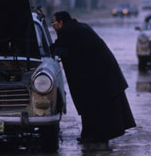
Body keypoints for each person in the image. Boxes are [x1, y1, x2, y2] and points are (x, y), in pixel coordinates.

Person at [50, 11, 136, 144]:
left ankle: (95, 136)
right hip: (101, 72)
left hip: (98, 74)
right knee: (94, 104)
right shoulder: (78, 27)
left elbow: (60, 49)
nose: (53, 26)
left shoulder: (67, 31)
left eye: (54, 23)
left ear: (61, 22)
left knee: (92, 104)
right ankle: (92, 134)